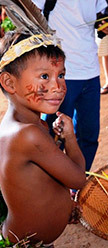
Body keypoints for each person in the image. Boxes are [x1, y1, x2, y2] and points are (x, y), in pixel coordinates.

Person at [0, 30, 86, 246]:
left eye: (61, 75)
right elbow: (77, 179)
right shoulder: (29, 134)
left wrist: (65, 204)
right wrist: (70, 138)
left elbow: (40, 175)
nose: (58, 87)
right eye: (44, 76)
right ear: (9, 83)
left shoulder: (30, 125)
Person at [32, 0, 108, 171]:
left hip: (91, 70)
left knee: (89, 134)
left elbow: (100, 17)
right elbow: (31, 15)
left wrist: (107, 26)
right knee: (51, 134)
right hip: (60, 73)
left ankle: (79, 181)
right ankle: (50, 181)